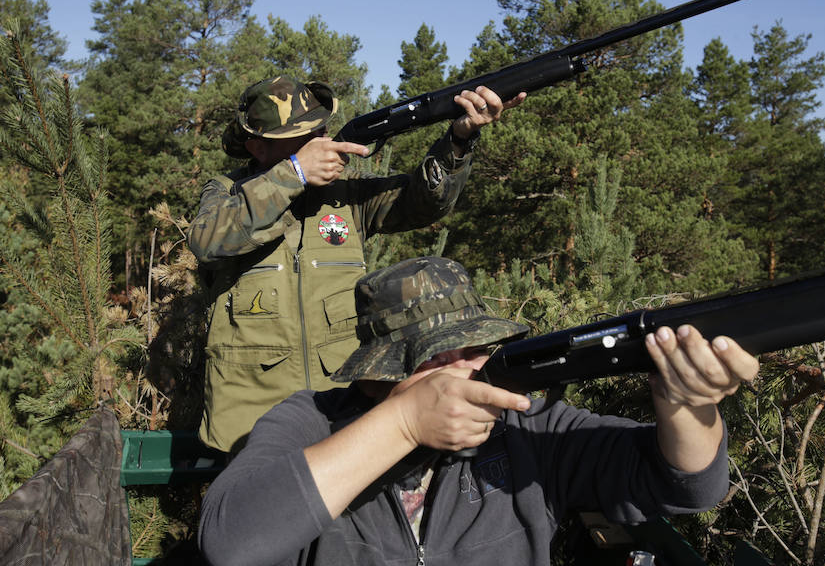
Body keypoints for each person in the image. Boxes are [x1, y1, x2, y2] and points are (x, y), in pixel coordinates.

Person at [198, 256, 760, 566]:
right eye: (438, 357)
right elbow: (231, 542)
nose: (467, 369)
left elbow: (686, 486)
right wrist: (403, 423)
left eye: (475, 348)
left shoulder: (528, 425)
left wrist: (687, 406)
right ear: (378, 371)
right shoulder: (309, 421)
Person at [188, 76, 526, 453]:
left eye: (318, 133)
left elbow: (422, 203)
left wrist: (459, 140)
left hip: (346, 405)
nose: (317, 145)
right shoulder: (227, 192)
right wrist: (293, 175)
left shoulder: (346, 193)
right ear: (256, 146)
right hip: (249, 418)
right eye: (298, 142)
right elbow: (207, 241)